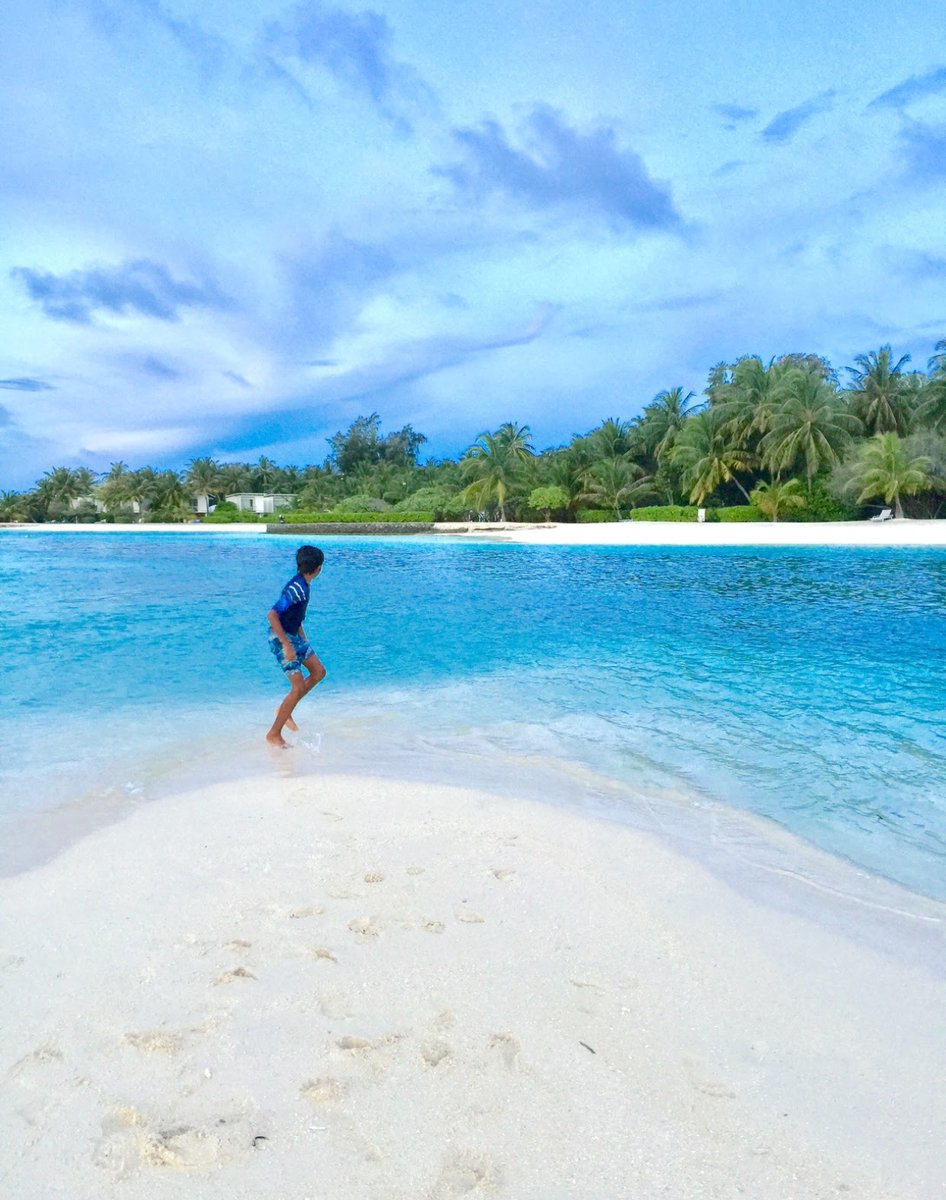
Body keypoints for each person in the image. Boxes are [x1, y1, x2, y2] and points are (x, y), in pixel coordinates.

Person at [265, 545, 326, 747]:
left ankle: (285, 709)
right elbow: (272, 615)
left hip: (294, 636)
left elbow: (295, 617)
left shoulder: (304, 585)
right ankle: (274, 734)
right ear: (318, 568)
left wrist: (303, 641)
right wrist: (287, 645)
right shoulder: (296, 589)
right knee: (297, 687)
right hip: (280, 638)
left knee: (318, 672)